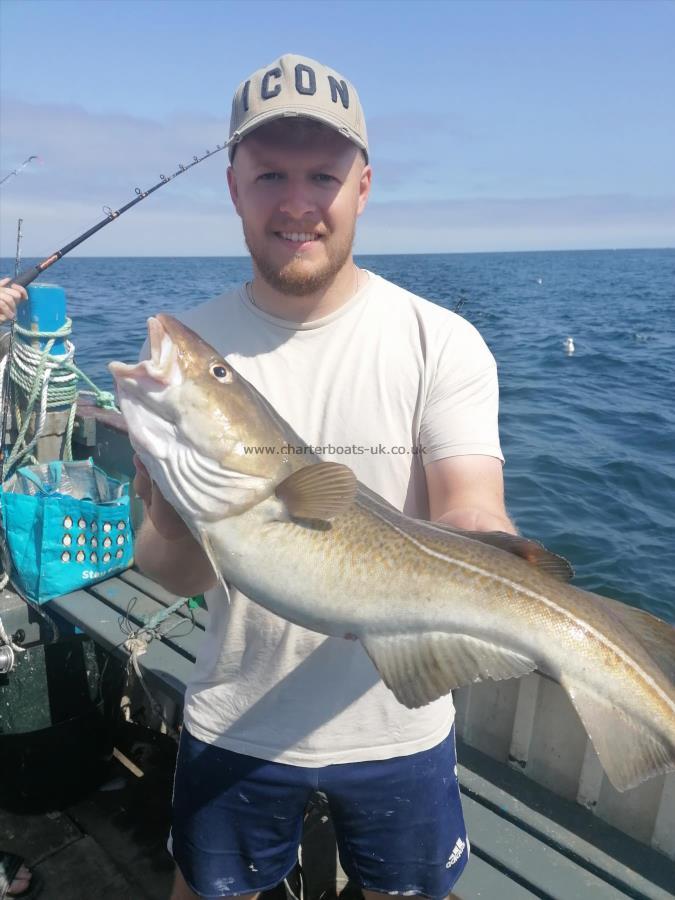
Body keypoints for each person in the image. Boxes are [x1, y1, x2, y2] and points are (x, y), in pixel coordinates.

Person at [1, 53, 515, 900]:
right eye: (270, 172)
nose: (297, 201)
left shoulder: (441, 340)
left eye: (323, 173)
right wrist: (170, 493)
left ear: (363, 186)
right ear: (234, 186)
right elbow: (178, 571)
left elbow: (470, 512)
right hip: (234, 714)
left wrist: (463, 587)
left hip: (402, 726)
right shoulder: (197, 340)